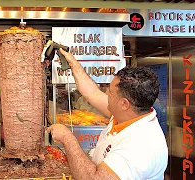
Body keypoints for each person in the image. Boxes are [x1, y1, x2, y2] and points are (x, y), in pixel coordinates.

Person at [47, 49, 168, 180]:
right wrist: (74, 64)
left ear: (124, 104)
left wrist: (67, 138)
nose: (106, 94)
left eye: (110, 92)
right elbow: (92, 93)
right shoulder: (128, 115)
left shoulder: (140, 147)